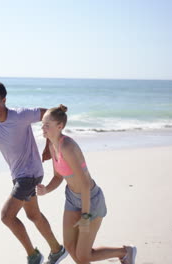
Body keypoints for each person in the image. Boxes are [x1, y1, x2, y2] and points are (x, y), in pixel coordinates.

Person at [0, 81, 68, 264]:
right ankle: (57, 250)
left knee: (6, 216)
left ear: (4, 100)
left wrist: (49, 144)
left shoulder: (21, 115)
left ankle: (33, 256)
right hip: (20, 175)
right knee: (33, 215)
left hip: (30, 173)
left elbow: (53, 115)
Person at [37, 104, 137, 264]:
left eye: (47, 125)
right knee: (70, 246)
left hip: (89, 200)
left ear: (59, 126)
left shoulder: (67, 147)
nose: (43, 128)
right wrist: (46, 190)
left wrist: (85, 216)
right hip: (71, 198)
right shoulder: (51, 145)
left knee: (83, 255)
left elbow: (84, 184)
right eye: (42, 124)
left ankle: (125, 252)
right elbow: (58, 176)